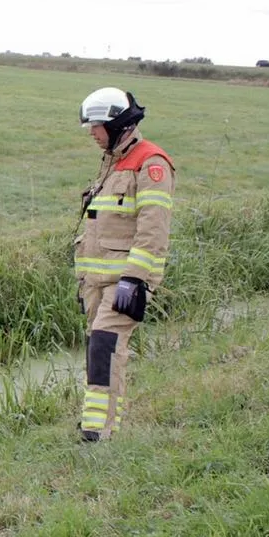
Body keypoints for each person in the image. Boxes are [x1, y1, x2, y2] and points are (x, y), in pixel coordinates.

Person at [73, 87, 175, 442]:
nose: (92, 132)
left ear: (117, 125)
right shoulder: (112, 161)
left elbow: (153, 230)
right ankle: (97, 424)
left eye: (97, 125)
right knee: (99, 351)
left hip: (124, 282)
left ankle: (98, 433)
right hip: (96, 282)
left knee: (105, 347)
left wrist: (135, 280)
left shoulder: (151, 163)